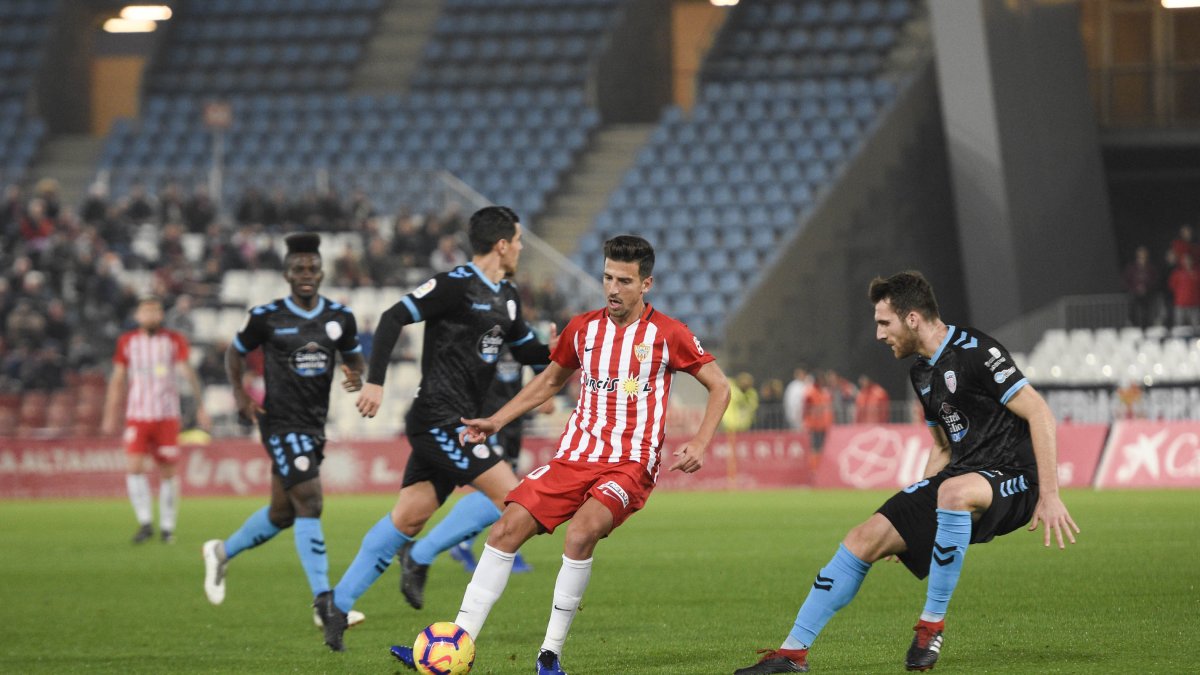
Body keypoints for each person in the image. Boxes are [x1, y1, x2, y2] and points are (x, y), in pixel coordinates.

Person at [390, 234, 731, 675]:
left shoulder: (669, 334)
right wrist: (496, 420)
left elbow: (719, 385)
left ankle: (549, 655)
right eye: (607, 277)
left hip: (630, 462)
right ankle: (456, 643)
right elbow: (550, 383)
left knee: (581, 532)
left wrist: (701, 442)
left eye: (624, 281)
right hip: (575, 455)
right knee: (505, 529)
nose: (612, 288)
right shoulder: (584, 329)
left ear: (646, 284)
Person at [735, 270, 1079, 674]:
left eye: (885, 322)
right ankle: (792, 654)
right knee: (864, 537)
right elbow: (942, 447)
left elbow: (1039, 412)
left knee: (952, 494)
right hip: (966, 474)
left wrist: (1050, 494)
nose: (879, 334)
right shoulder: (921, 373)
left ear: (913, 317)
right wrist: (910, 518)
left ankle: (930, 627)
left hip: (1017, 477)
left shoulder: (977, 351)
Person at [314, 206, 556, 652]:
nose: (522, 247)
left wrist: (562, 351)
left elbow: (528, 353)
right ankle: (433, 575)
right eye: (518, 240)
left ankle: (337, 602)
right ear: (502, 244)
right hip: (439, 419)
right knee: (515, 503)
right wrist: (375, 381)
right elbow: (391, 317)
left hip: (461, 422)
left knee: (409, 517)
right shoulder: (454, 285)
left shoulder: (507, 294)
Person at [201, 233, 368, 631]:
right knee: (310, 502)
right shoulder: (267, 316)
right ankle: (324, 604)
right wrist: (241, 393)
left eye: (312, 268)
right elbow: (234, 352)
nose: (306, 274)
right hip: (278, 423)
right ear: (287, 273)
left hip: (313, 426)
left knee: (282, 514)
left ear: (322, 272)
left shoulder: (339, 317)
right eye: (298, 269)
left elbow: (355, 357)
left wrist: (355, 374)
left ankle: (221, 552)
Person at [101, 295, 210, 544]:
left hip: (166, 416)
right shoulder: (127, 342)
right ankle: (145, 522)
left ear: (161, 315)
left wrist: (200, 406)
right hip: (137, 416)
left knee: (168, 471)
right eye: (146, 311)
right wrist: (110, 412)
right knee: (134, 467)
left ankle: (168, 527)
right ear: (138, 316)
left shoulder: (173, 341)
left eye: (155, 311)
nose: (151, 316)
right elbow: (118, 378)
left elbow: (187, 372)